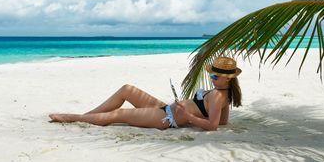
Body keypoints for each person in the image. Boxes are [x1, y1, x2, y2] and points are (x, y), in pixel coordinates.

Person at [49, 56, 242, 131]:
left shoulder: (218, 96)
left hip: (167, 118)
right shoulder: (222, 93)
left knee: (120, 114)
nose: (213, 79)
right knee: (127, 89)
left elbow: (213, 126)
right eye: (213, 75)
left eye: (216, 77)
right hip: (166, 109)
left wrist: (188, 116)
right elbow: (223, 121)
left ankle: (75, 118)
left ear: (229, 78)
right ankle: (88, 116)